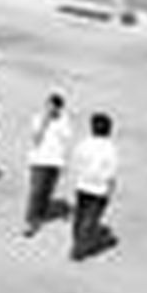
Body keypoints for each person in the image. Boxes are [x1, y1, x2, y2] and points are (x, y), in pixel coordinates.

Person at [69, 112, 119, 260]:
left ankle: (77, 241)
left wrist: (78, 178)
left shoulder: (84, 144)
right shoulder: (110, 148)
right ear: (109, 130)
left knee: (80, 215)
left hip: (82, 186)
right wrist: (110, 190)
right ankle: (78, 249)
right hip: (99, 189)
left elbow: (75, 161)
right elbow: (111, 172)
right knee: (90, 218)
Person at [23, 91, 72, 237]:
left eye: (53, 106)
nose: (50, 109)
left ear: (59, 108)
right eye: (48, 105)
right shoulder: (38, 118)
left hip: (56, 162)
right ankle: (31, 222)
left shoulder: (64, 121)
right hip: (39, 160)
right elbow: (36, 138)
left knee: (47, 191)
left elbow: (66, 140)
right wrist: (45, 122)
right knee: (36, 191)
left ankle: (40, 215)